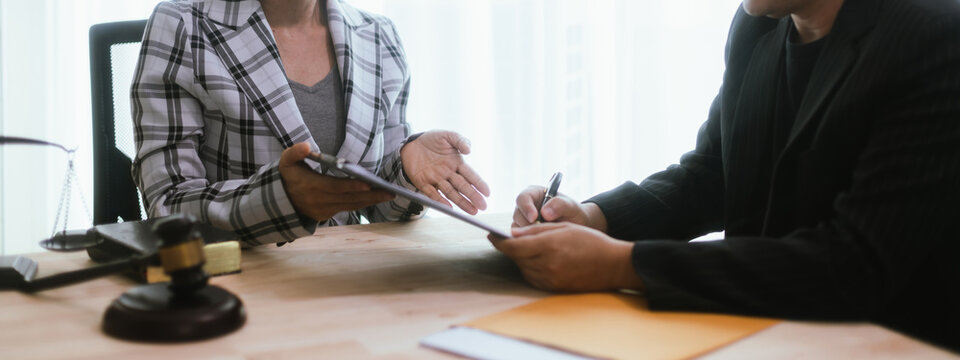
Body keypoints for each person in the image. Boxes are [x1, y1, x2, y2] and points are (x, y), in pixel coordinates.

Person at [493, 0, 960, 351]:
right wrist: (596, 218)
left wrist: (623, 264)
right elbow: (713, 173)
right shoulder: (758, 24)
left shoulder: (937, 35)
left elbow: (855, 266)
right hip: (757, 334)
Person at [132, 0, 490, 246]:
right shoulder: (181, 24)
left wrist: (406, 173)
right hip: (240, 282)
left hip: (349, 281)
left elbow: (381, 209)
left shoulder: (379, 36)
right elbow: (168, 204)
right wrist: (283, 200)